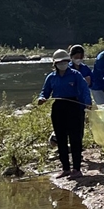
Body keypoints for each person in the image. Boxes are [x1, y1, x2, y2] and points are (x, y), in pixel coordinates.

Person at [38, 48, 92, 178]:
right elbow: (45, 91)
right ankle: (65, 168)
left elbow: (84, 89)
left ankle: (77, 169)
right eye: (59, 62)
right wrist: (42, 98)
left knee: (75, 138)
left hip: (74, 106)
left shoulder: (75, 75)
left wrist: (87, 102)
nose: (62, 64)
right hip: (58, 107)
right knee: (61, 138)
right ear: (55, 63)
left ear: (68, 61)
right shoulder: (51, 77)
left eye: (65, 61)